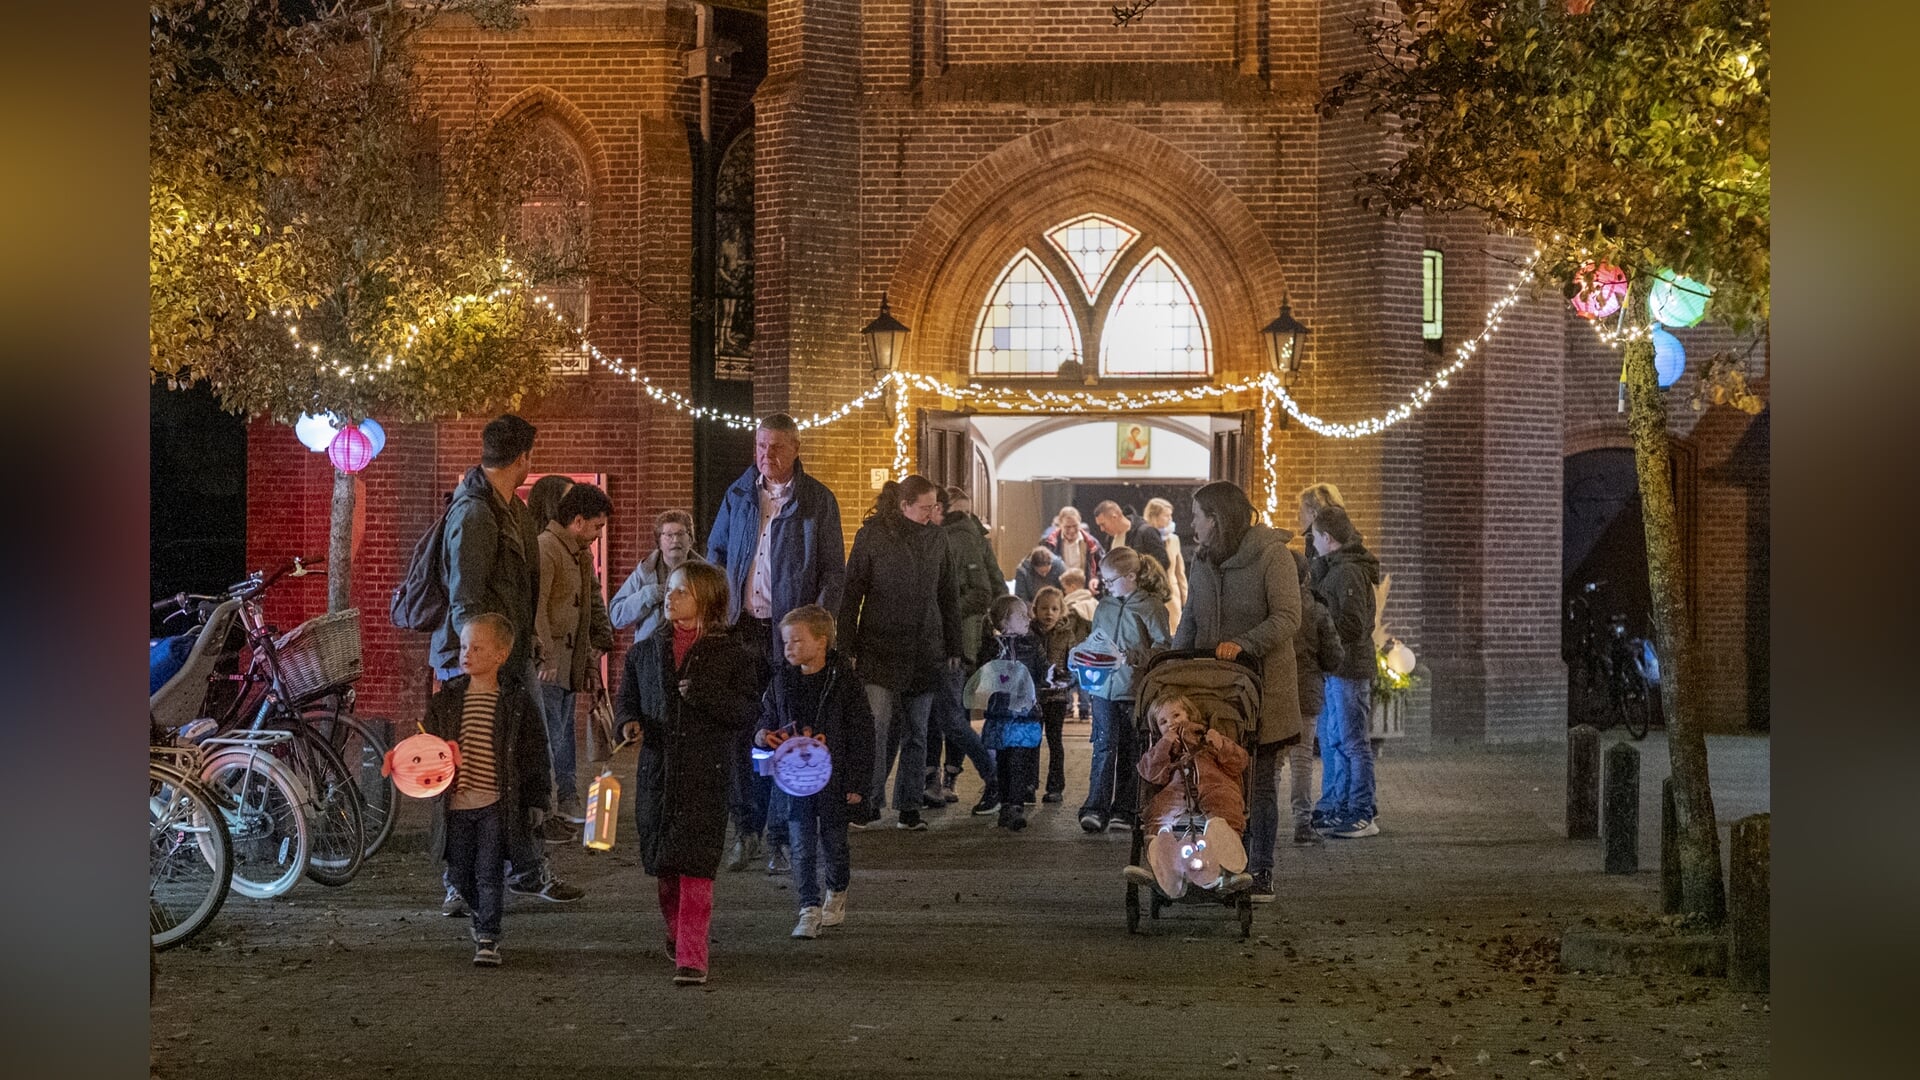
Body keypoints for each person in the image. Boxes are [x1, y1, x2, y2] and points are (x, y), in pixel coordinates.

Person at [432, 414, 583, 906]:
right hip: (483, 662)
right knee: (472, 771)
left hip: (508, 656)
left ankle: (526, 867)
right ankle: (461, 882)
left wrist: (528, 638)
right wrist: (479, 665)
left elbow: (513, 589)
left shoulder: (509, 509)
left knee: (524, 762)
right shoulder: (476, 513)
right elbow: (466, 598)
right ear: (522, 458)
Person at [706, 414, 846, 872]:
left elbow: (833, 572)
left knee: (788, 730)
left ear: (796, 448)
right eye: (761, 446)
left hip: (789, 635)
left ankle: (781, 837)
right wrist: (717, 610)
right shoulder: (738, 494)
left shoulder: (818, 500)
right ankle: (745, 829)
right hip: (742, 629)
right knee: (742, 733)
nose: (767, 455)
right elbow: (716, 554)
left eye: (777, 447)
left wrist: (815, 627)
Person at [617, 560, 765, 986]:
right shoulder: (645, 652)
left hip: (706, 775)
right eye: (670, 589)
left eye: (682, 591)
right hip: (659, 777)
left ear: (707, 599)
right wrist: (628, 722)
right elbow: (628, 699)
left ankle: (692, 955)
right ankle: (675, 931)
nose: (671, 597)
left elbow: (747, 710)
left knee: (697, 868)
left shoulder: (732, 654)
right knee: (666, 870)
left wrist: (706, 696)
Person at [1172, 480, 1302, 903]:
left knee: (1259, 784)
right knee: (1213, 781)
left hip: (1263, 691)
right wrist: (1173, 664)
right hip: (1212, 692)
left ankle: (1259, 868)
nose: (1192, 524)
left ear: (1216, 519)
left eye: (1197, 516)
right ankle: (1214, 866)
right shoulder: (1201, 560)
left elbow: (1288, 617)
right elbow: (1190, 618)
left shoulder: (1272, 556)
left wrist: (1244, 643)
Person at [423, 614, 555, 967]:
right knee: (458, 873)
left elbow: (534, 753)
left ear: (500, 655)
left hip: (496, 804)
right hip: (457, 805)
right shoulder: (447, 700)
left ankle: (488, 936)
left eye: (477, 648)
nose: (466, 654)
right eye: (464, 647)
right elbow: (429, 744)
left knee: (489, 871)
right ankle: (481, 914)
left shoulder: (516, 702)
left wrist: (537, 799)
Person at [838, 475, 963, 831]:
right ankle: (867, 801)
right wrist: (845, 644)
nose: (931, 513)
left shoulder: (937, 538)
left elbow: (948, 594)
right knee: (875, 729)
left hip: (924, 649)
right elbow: (852, 593)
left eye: (934, 506)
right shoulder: (873, 536)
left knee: (917, 732)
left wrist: (954, 645)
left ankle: (909, 806)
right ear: (904, 505)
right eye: (925, 507)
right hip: (879, 648)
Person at [754, 605, 873, 939]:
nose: (789, 648)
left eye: (796, 640)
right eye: (785, 642)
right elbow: (766, 716)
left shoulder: (844, 682)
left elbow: (862, 733)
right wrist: (763, 735)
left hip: (834, 778)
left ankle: (836, 891)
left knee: (835, 843)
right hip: (794, 780)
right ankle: (808, 907)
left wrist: (857, 782)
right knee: (801, 845)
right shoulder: (781, 682)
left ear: (821, 642)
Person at [534, 481, 615, 832]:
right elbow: (538, 608)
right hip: (552, 668)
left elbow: (588, 605)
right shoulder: (548, 549)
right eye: (597, 526)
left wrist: (592, 652)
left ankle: (561, 803)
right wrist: (548, 656)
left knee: (561, 734)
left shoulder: (576, 553)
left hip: (566, 666)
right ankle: (547, 808)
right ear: (578, 521)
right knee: (550, 737)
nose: (599, 534)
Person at [1076, 546, 1172, 834]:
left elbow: (1162, 648)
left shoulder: (1151, 607)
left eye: (1111, 580)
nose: (1106, 586)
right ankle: (1095, 808)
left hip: (1133, 690)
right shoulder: (1104, 606)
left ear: (1131, 576)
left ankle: (1125, 809)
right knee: (1103, 747)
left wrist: (1132, 657)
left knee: (1131, 749)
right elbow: (1096, 640)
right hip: (1102, 689)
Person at [1123, 695, 1252, 898]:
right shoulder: (1164, 748)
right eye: (1163, 722)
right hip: (1177, 789)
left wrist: (1221, 745)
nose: (1171, 723)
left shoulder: (1207, 738)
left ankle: (1226, 869)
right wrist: (1164, 744)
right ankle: (1163, 868)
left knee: (1226, 808)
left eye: (1176, 715)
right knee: (1158, 812)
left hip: (1215, 784)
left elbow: (1240, 762)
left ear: (1190, 715)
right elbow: (1150, 772)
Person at [1307, 505, 1383, 840]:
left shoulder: (1347, 572)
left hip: (1349, 667)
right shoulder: (1337, 570)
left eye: (1314, 536)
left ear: (1327, 537)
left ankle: (1361, 811)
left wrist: (1323, 631)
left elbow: (1352, 624)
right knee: (1339, 739)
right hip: (1339, 667)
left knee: (1352, 741)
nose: (1312, 543)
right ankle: (1343, 805)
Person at [974, 594, 1048, 831]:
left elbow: (1043, 670)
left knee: (1018, 758)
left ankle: (1015, 805)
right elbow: (983, 674)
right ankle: (1007, 803)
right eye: (1021, 615)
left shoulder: (1032, 644)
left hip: (1024, 713)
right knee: (1004, 760)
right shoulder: (992, 647)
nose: (1028, 618)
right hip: (1001, 713)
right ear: (1004, 622)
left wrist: (1053, 677)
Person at [1288, 544, 1344, 846]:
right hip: (1307, 690)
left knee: (1271, 763)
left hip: (1274, 692)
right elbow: (1334, 655)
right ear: (1306, 577)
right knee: (1302, 759)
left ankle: (1262, 823)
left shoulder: (1269, 609)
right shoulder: (1316, 610)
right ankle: (1302, 823)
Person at [1030, 585, 1088, 803]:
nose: (1049, 613)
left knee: (1055, 741)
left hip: (1056, 697)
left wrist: (1066, 681)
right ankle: (1029, 784)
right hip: (1033, 696)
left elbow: (1074, 663)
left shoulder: (1066, 634)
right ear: (1035, 610)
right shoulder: (1029, 634)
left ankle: (1055, 786)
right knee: (1031, 741)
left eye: (1054, 609)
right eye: (1044, 608)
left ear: (1061, 610)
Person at [610, 510, 704, 640]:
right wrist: (647, 595)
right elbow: (616, 616)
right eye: (669, 535)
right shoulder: (644, 572)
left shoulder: (705, 574)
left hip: (694, 646)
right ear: (658, 542)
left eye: (681, 534)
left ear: (691, 539)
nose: (675, 540)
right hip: (650, 648)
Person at [1144, 498, 1189, 634]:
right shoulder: (1145, 536)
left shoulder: (1174, 539)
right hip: (1151, 593)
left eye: (1171, 515)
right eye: (1166, 515)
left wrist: (1186, 598)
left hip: (1171, 593)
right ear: (1154, 516)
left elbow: (1179, 571)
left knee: (1174, 630)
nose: (1170, 519)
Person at [1092, 499, 1170, 573]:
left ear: (1114, 517)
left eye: (1103, 524)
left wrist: (1140, 577)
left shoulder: (1146, 532)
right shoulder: (1110, 538)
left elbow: (1163, 562)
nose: (1102, 529)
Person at [1040, 506, 1103, 589]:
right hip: (1058, 590)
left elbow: (1103, 567)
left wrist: (1096, 579)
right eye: (1067, 527)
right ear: (1060, 525)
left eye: (1075, 526)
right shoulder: (1049, 543)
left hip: (1084, 591)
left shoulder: (1091, 543)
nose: (1072, 530)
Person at [1298, 482, 1346, 561]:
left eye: (1301, 511)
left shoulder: (1323, 543)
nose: (1298, 518)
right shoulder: (1343, 537)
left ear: (1313, 514)